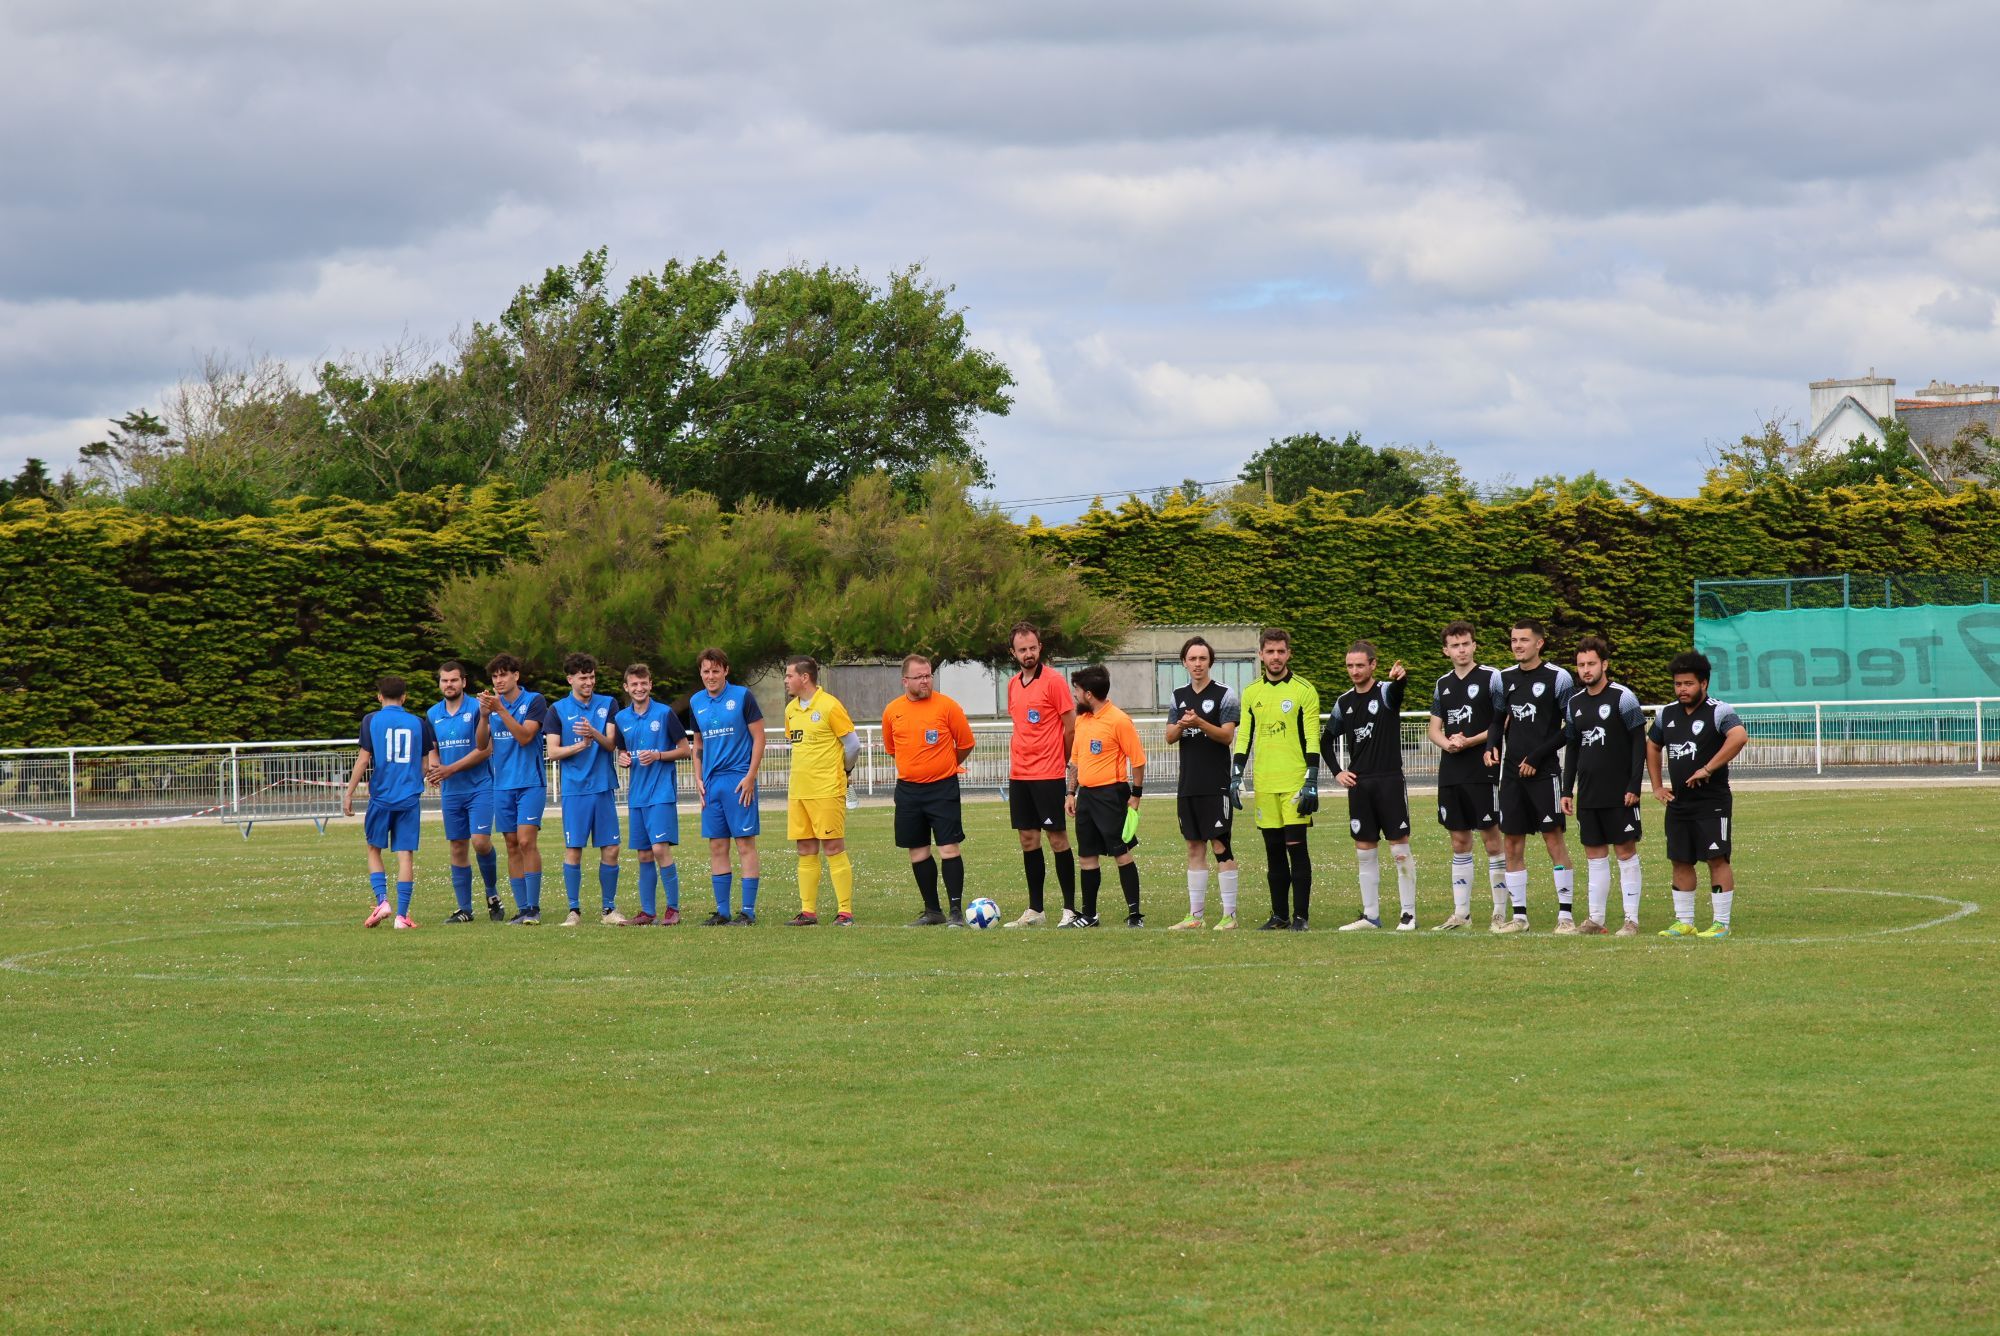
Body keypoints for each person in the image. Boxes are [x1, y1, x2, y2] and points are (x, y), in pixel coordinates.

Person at [1647, 651, 1750, 939]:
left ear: (1704, 683)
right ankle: (1684, 921)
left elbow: (1739, 736)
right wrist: (1657, 786)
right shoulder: (1666, 714)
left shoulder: (1719, 711)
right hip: (1678, 803)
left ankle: (1721, 923)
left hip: (1712, 802)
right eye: (1678, 684)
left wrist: (1708, 768)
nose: (1682, 689)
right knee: (1680, 860)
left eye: (1688, 684)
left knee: (1717, 859)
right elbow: (1652, 745)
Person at [1487, 620, 1576, 934]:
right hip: (1512, 773)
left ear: (1539, 643)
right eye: (1514, 640)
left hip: (1544, 771)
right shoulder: (1503, 678)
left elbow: (1571, 727)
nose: (1517, 645)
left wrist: (1537, 757)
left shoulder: (1558, 677)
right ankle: (1520, 917)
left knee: (1553, 840)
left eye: (1524, 640)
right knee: (1511, 843)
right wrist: (1491, 745)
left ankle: (1565, 916)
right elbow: (1497, 720)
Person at [1321, 642, 1415, 931]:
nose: (1355, 671)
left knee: (1399, 849)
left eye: (1360, 665)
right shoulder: (1344, 702)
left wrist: (1400, 679)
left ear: (1373, 665)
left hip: (1389, 781)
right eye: (1350, 666)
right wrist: (1338, 772)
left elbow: (1397, 692)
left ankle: (1408, 915)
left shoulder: (1385, 692)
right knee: (1364, 850)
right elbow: (1326, 741)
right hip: (1360, 785)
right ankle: (1370, 916)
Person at [1232, 627, 1321, 930]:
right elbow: (1244, 736)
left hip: (1294, 782)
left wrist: (1311, 780)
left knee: (1296, 847)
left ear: (1289, 654)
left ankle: (1301, 917)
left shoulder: (1304, 690)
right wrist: (1235, 774)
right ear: (1261, 655)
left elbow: (1312, 738)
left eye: (1281, 651)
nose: (1275, 657)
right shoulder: (1251, 692)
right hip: (1265, 783)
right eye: (1270, 651)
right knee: (1273, 852)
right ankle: (1280, 916)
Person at [1560, 636, 1648, 936]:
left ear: (1604, 664)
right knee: (1594, 855)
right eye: (1581, 665)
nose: (1586, 670)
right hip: (1588, 793)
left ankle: (1631, 920)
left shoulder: (1623, 697)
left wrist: (1635, 785)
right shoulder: (1574, 703)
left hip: (1620, 792)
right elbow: (1572, 748)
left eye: (1591, 664)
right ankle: (1596, 920)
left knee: (1625, 852)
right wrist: (1566, 790)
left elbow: (1639, 742)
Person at [881, 654, 976, 925]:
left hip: (942, 789)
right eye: (919, 676)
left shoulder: (947, 706)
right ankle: (933, 911)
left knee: (949, 849)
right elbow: (892, 749)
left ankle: (955, 911)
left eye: (928, 675)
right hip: (908, 792)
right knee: (918, 852)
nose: (925, 680)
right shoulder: (892, 711)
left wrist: (944, 765)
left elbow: (966, 744)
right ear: (905, 681)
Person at [1427, 622, 1508, 931]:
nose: (1461, 650)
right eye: (1455, 645)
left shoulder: (1492, 677)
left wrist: (1469, 741)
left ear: (1474, 645)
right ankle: (1461, 914)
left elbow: (1502, 722)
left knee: (1491, 839)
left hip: (1483, 767)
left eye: (1465, 644)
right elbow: (1434, 728)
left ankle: (1499, 913)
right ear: (1445, 650)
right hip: (1451, 771)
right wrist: (1448, 743)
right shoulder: (1442, 683)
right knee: (1459, 840)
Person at [342, 675, 438, 930]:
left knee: (374, 849)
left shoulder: (371, 720)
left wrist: (349, 793)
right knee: (405, 855)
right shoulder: (419, 723)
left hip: (381, 797)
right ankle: (402, 916)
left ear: (379, 696)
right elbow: (425, 764)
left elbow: (363, 760)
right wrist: (412, 782)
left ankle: (382, 901)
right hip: (408, 798)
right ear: (404, 697)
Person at [1003, 621, 1078, 927]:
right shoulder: (1012, 685)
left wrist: (1063, 758)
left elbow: (1071, 726)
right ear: (1013, 653)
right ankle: (1035, 910)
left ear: (1040, 648)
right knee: (1027, 839)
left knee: (1057, 838)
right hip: (1020, 775)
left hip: (1048, 774)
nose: (1029, 654)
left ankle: (1070, 909)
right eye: (1022, 649)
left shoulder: (1054, 681)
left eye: (1033, 648)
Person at [1165, 635, 1240, 931]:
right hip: (1188, 785)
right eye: (1192, 659)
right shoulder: (1178, 695)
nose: (1197, 663)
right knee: (1194, 847)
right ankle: (1195, 916)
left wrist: (1200, 723)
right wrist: (1183, 725)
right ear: (1184, 662)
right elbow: (1169, 736)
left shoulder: (1225, 694)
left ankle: (1229, 916)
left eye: (1202, 658)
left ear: (1210, 662)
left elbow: (1227, 736)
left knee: (1221, 845)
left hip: (1215, 784)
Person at [687, 647, 767, 924]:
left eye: (715, 671)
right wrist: (698, 778)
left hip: (738, 780)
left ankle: (748, 912)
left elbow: (759, 737)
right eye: (706, 671)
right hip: (711, 783)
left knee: (745, 844)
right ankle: (722, 912)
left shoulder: (742, 696)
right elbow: (698, 744)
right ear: (700, 673)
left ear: (726, 671)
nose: (711, 676)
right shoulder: (696, 701)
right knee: (717, 846)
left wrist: (751, 776)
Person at [1064, 665, 1147, 927]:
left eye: (1077, 690)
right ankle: (1089, 915)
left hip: (1112, 795)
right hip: (1086, 796)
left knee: (1121, 853)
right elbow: (1075, 761)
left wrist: (1136, 795)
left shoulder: (1119, 720)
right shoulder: (1082, 719)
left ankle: (1135, 915)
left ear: (1088, 694)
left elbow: (1138, 760)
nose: (1075, 695)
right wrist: (1070, 792)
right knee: (1086, 856)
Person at [782, 656, 861, 926]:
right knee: (805, 848)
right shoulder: (790, 710)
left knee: (833, 847)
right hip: (798, 792)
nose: (786, 681)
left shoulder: (830, 705)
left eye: (789, 675)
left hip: (827, 789)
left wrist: (845, 771)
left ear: (804, 677)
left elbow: (853, 745)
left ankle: (845, 912)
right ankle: (808, 912)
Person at [548, 652, 624, 926]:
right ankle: (574, 911)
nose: (589, 682)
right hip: (575, 790)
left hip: (603, 787)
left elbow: (611, 744)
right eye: (583, 678)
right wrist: (580, 745)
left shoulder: (608, 703)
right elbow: (553, 751)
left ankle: (609, 910)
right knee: (574, 849)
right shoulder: (557, 709)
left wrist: (594, 733)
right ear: (570, 679)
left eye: (591, 677)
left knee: (611, 848)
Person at [614, 663, 691, 926]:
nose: (639, 688)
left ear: (650, 685)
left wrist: (658, 755)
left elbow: (685, 749)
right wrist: (622, 759)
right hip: (637, 796)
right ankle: (647, 912)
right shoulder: (621, 719)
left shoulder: (665, 713)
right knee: (644, 855)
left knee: (659, 849)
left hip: (661, 793)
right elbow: (622, 752)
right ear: (626, 687)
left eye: (643, 683)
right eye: (634, 684)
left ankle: (673, 909)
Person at [425, 660, 501, 923]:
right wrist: (435, 768)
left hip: (480, 787)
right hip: (451, 791)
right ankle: (464, 909)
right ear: (440, 683)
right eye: (444, 680)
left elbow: (486, 749)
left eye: (454, 680)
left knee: (480, 842)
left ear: (463, 682)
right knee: (458, 846)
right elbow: (432, 748)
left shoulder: (477, 708)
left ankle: (492, 893)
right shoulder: (433, 713)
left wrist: (450, 769)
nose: (449, 685)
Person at [479, 653, 551, 924]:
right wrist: (484, 717)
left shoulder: (534, 701)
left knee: (526, 841)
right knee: (511, 845)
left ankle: (534, 907)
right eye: (495, 676)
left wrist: (499, 710)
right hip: (502, 786)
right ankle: (522, 909)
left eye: (504, 674)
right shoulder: (492, 707)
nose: (499, 680)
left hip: (530, 782)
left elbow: (525, 737)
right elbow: (481, 745)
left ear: (516, 676)